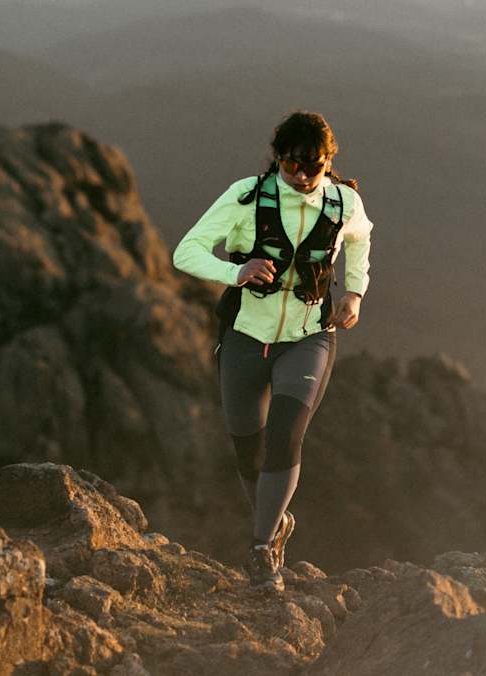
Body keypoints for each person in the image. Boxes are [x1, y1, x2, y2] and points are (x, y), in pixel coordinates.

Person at [171, 110, 372, 590]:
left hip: (309, 336)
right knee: (249, 451)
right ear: (278, 159)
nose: (302, 176)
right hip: (244, 335)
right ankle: (277, 522)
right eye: (291, 165)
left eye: (313, 166)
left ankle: (262, 550)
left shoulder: (344, 202)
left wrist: (354, 292)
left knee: (286, 434)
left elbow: (362, 239)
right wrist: (233, 272)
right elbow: (186, 250)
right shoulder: (246, 197)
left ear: (328, 161)